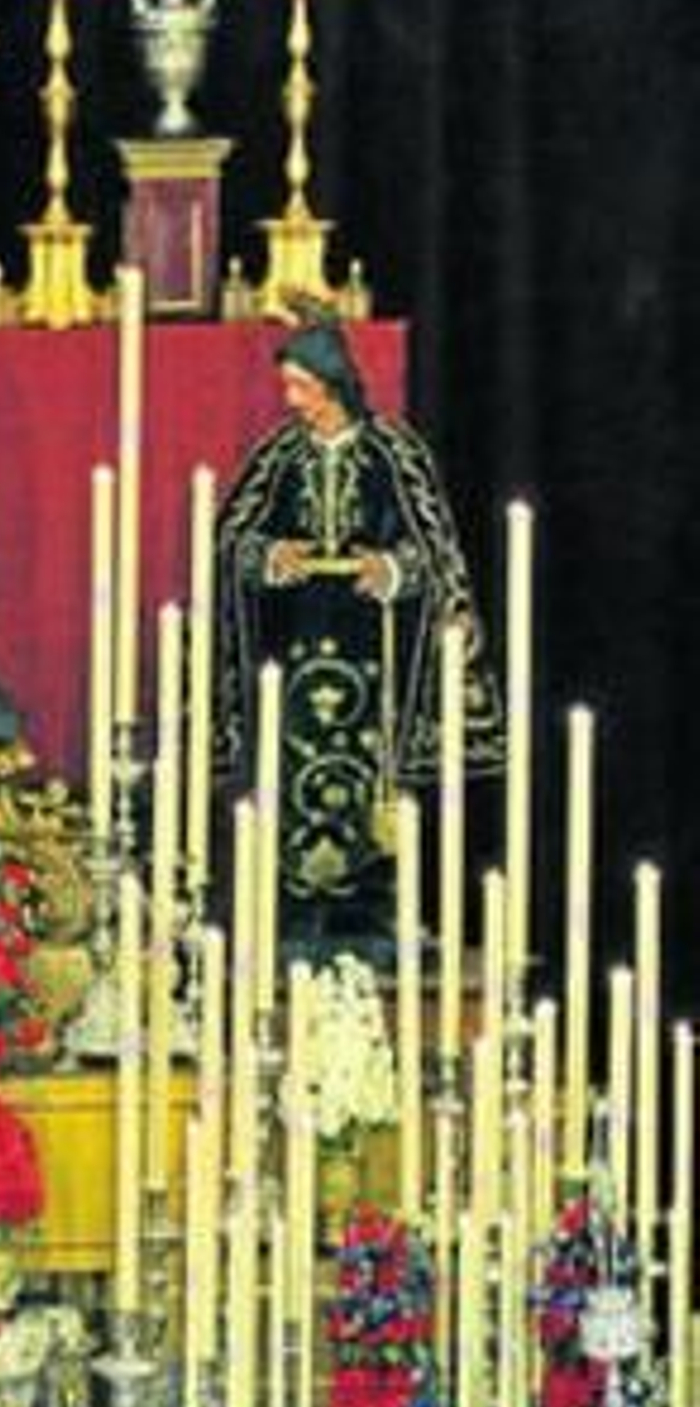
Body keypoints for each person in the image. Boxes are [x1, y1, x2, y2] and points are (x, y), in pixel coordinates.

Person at [216, 315, 503, 946]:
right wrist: (270, 556)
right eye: (288, 387)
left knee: (373, 778)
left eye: (302, 387)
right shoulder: (279, 456)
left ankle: (369, 908)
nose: (293, 401)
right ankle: (294, 906)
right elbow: (230, 537)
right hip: (292, 645)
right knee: (290, 766)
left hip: (377, 646)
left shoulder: (394, 454)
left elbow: (436, 550)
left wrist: (393, 568)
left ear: (334, 384)